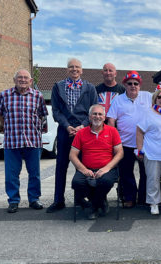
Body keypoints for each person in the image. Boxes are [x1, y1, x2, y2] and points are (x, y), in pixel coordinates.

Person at [0, 69, 48, 213]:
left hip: (33, 141)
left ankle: (34, 199)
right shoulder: (4, 95)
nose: (22, 80)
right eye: (20, 77)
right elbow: (0, 116)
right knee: (11, 174)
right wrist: (9, 128)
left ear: (31, 81)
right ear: (14, 80)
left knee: (34, 173)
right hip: (12, 141)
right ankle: (13, 201)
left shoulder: (38, 96)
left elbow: (42, 116)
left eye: (26, 78)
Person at [47, 58, 98, 213]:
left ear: (81, 70)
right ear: (67, 70)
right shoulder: (58, 87)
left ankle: (80, 199)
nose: (74, 69)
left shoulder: (89, 88)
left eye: (77, 67)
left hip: (84, 132)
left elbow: (94, 109)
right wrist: (67, 125)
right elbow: (56, 110)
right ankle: (58, 200)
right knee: (61, 166)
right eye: (71, 67)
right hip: (65, 131)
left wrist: (82, 126)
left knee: (82, 166)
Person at [70, 104, 124, 220]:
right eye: (94, 114)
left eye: (100, 114)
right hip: (87, 168)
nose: (97, 116)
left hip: (107, 169)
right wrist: (83, 169)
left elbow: (120, 153)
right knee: (77, 183)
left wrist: (106, 168)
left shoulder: (112, 131)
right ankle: (100, 202)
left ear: (104, 117)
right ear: (89, 117)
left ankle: (93, 207)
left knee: (105, 181)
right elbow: (72, 155)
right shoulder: (81, 133)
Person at [107, 71, 152, 208]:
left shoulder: (148, 96)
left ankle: (144, 198)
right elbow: (111, 120)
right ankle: (129, 197)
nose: (133, 86)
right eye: (130, 83)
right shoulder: (118, 100)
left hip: (145, 144)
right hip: (124, 144)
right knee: (126, 172)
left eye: (136, 83)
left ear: (140, 85)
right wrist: (114, 142)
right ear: (125, 85)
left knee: (146, 172)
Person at [136, 86, 161, 215]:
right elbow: (139, 131)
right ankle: (154, 203)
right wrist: (140, 149)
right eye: (159, 97)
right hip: (152, 152)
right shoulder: (148, 113)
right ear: (155, 98)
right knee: (153, 179)